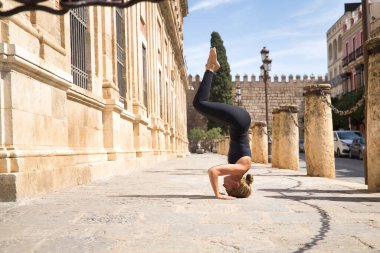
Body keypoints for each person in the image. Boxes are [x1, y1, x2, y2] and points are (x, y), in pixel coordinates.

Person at [193, 47, 253, 200]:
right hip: (239, 121)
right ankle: (211, 68)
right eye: (227, 188)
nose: (224, 186)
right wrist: (218, 194)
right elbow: (213, 171)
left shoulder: (238, 170)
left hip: (238, 121)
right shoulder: (241, 168)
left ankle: (211, 68)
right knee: (200, 103)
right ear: (236, 185)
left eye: (223, 188)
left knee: (201, 105)